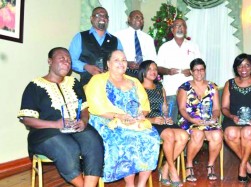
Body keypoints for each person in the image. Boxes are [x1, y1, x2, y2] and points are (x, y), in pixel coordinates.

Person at [17, 47, 104, 187]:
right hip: (45, 133)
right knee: (69, 148)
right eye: (62, 59)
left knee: (94, 142)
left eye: (69, 60)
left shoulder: (74, 83)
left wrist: (83, 121)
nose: (66, 62)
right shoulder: (35, 86)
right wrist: (56, 124)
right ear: (49, 61)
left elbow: (84, 109)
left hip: (75, 128)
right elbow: (27, 119)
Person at [85, 50, 160, 187]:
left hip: (134, 122)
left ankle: (141, 184)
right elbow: (96, 106)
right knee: (127, 139)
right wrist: (118, 116)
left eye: (124, 60)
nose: (121, 63)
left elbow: (145, 105)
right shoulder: (98, 80)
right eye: (116, 60)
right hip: (106, 121)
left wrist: (140, 115)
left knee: (152, 137)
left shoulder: (135, 81)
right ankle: (130, 184)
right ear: (108, 64)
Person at [138, 60, 189, 187]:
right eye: (149, 69)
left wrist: (167, 118)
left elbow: (164, 108)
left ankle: (165, 168)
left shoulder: (160, 87)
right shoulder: (137, 88)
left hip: (161, 121)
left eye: (155, 69)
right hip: (147, 122)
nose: (153, 71)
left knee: (184, 136)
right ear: (143, 71)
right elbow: (136, 113)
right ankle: (172, 171)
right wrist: (152, 120)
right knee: (170, 135)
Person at [221, 53, 251, 182]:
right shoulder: (229, 84)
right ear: (236, 68)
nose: (243, 69)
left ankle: (242, 166)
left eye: (247, 65)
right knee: (230, 133)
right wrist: (231, 116)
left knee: (247, 132)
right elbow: (224, 108)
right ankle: (247, 164)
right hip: (233, 121)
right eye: (240, 66)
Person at [177, 58, 223, 182]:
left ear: (205, 70)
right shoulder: (184, 87)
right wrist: (192, 120)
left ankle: (211, 165)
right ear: (191, 72)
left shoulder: (212, 86)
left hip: (208, 121)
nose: (199, 72)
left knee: (218, 135)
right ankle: (189, 165)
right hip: (189, 120)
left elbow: (217, 108)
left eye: (201, 69)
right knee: (197, 134)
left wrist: (214, 118)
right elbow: (181, 109)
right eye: (196, 70)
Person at [157, 18, 201, 124]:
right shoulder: (164, 47)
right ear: (172, 30)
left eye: (182, 25)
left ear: (185, 29)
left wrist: (191, 71)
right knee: (169, 121)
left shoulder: (193, 46)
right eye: (177, 25)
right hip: (170, 90)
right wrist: (168, 71)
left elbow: (200, 67)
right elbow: (158, 68)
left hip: (189, 91)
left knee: (190, 122)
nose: (180, 28)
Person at [69, 6, 123, 86]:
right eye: (98, 15)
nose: (102, 18)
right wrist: (86, 67)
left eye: (105, 16)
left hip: (112, 85)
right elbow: (71, 60)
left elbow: (121, 63)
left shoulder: (116, 41)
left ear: (108, 20)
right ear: (91, 18)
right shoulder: (80, 37)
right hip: (88, 85)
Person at [114, 10, 157, 78]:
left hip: (144, 74)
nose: (139, 19)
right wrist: (127, 63)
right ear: (129, 19)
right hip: (125, 72)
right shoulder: (118, 35)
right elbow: (114, 57)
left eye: (141, 18)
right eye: (136, 17)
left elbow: (153, 59)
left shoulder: (148, 38)